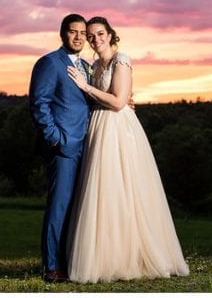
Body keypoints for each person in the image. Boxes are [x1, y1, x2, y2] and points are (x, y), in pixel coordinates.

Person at [65, 17, 189, 283]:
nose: (95, 39)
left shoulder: (122, 59)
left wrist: (85, 87)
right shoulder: (94, 65)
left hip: (117, 129)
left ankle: (130, 255)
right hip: (98, 126)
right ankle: (107, 256)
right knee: (102, 192)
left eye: (100, 33)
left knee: (123, 188)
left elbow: (120, 102)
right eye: (90, 35)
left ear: (110, 35)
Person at [28, 14, 91, 283]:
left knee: (80, 207)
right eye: (73, 32)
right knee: (59, 206)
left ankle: (71, 262)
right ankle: (52, 266)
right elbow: (39, 104)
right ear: (62, 34)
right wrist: (55, 138)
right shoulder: (49, 63)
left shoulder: (87, 67)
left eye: (82, 33)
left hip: (87, 145)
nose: (78, 37)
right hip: (63, 147)